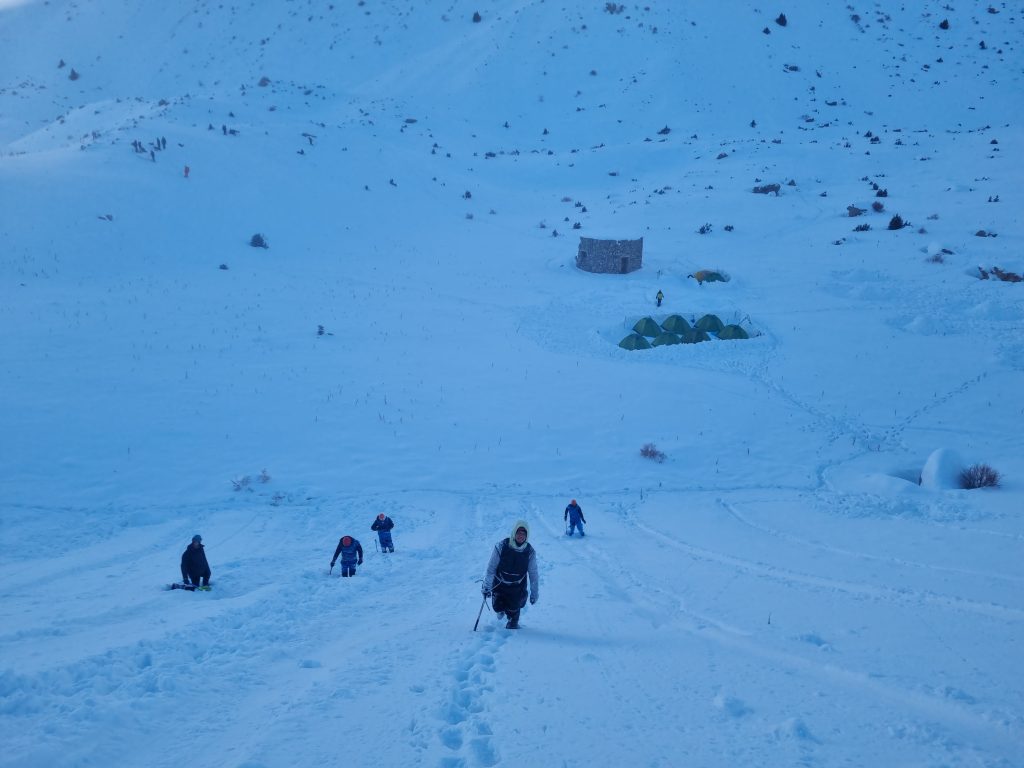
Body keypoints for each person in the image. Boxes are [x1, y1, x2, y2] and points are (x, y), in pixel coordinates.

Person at [481, 520, 538, 629]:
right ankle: (501, 609)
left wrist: (534, 593)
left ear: (527, 536)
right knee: (497, 607)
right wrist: (487, 587)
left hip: (517, 586)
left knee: (513, 609)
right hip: (500, 583)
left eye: (523, 533)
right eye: (518, 532)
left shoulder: (530, 552)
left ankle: (513, 621)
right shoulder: (501, 546)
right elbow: (491, 569)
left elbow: (533, 573)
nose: (520, 536)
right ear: (514, 533)